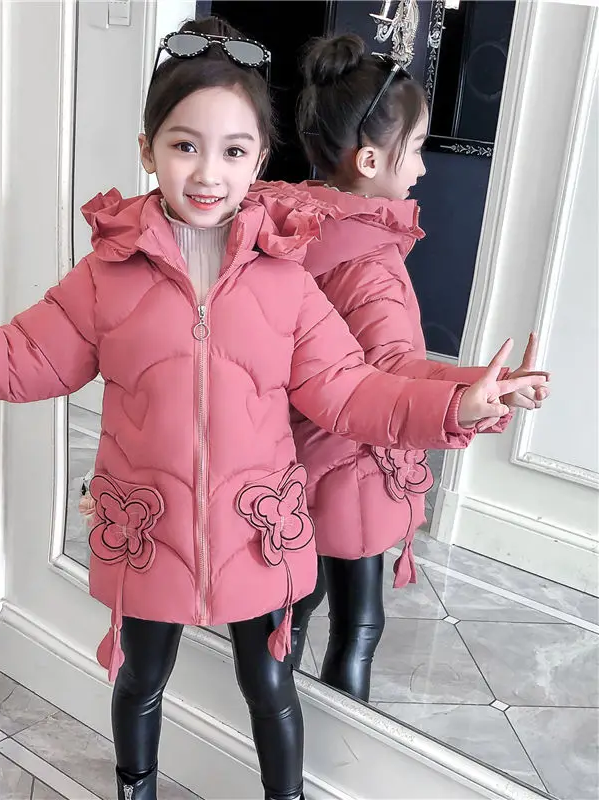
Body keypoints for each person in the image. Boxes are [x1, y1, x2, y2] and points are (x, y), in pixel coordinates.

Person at [0, 18, 547, 800]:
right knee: (139, 681)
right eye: (184, 145)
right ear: (148, 150)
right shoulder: (107, 275)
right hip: (150, 530)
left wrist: (459, 401)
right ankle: (135, 789)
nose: (207, 172)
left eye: (233, 151)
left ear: (260, 161)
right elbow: (21, 356)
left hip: (259, 532)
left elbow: (352, 391)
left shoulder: (287, 282)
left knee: (270, 688)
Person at [250, 33, 550, 703]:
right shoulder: (369, 265)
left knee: (293, 608)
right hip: (351, 467)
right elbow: (393, 369)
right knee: (359, 624)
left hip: (289, 457)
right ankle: (330, 743)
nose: (421, 167)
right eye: (414, 149)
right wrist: (480, 389)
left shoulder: (290, 224)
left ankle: (271, 721)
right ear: (368, 159)